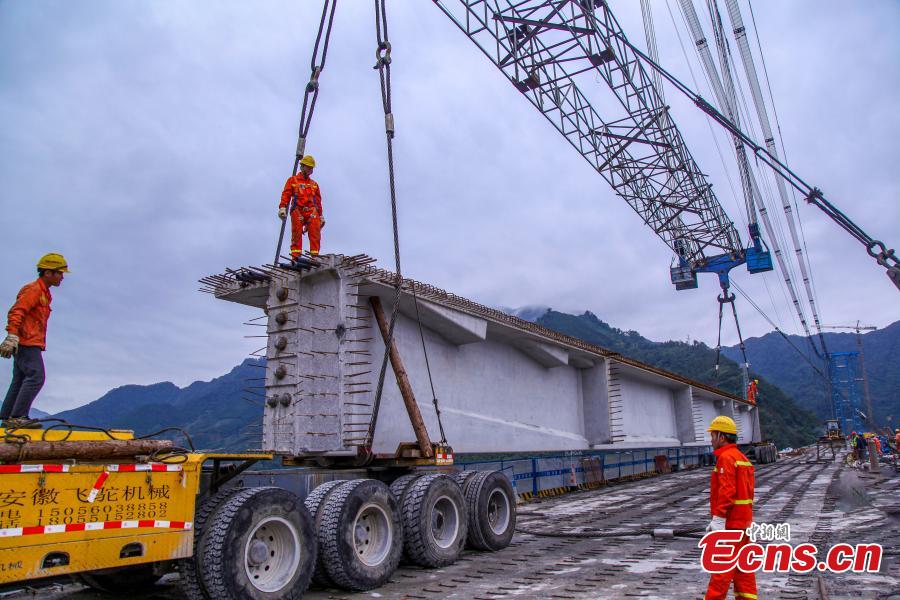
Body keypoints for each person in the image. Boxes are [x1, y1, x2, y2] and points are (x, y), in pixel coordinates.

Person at [0, 254, 69, 425]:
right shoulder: (34, 290)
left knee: (20, 379)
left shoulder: (45, 294)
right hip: (27, 342)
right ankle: (18, 417)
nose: (62, 277)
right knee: (36, 376)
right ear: (48, 273)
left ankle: (7, 418)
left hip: (29, 341)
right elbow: (17, 311)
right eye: (60, 273)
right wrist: (12, 335)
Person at [705, 415, 756, 600]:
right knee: (743, 569)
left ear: (722, 437)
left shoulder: (726, 458)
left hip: (731, 524)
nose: (711, 440)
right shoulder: (742, 459)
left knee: (722, 567)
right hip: (744, 523)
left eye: (713, 435)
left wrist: (719, 518)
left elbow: (727, 491)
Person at [279, 155, 324, 261]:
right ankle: (296, 257)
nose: (310, 170)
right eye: (309, 167)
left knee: (315, 234)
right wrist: (282, 207)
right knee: (296, 234)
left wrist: (321, 216)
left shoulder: (314, 184)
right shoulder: (292, 180)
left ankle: (315, 257)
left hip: (312, 212)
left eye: (311, 168)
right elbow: (286, 194)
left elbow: (318, 202)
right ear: (302, 166)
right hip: (297, 210)